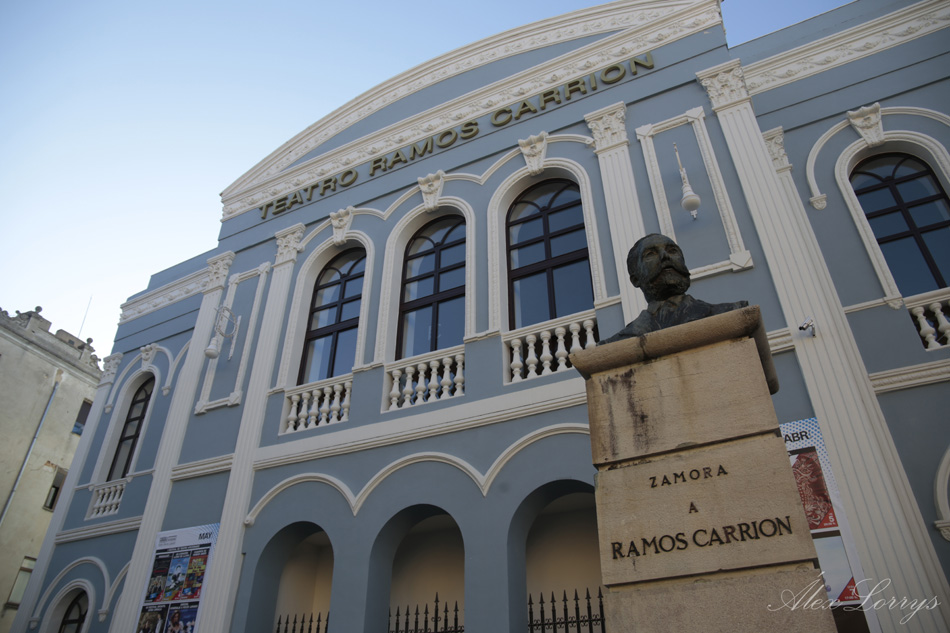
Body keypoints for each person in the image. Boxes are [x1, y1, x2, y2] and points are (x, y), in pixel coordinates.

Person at [600, 233, 747, 344]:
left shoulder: (730, 312)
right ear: (635, 279)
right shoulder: (620, 341)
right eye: (650, 254)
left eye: (672, 250)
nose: (665, 256)